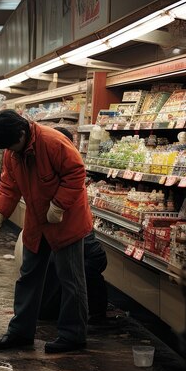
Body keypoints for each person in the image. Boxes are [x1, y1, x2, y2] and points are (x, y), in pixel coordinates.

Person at [0, 109, 93, 354]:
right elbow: (9, 184)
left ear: (22, 133)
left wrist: (58, 204)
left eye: (12, 145)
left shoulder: (52, 141)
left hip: (66, 219)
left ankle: (73, 335)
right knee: (28, 276)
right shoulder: (13, 152)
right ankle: (20, 333)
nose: (10, 151)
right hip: (37, 220)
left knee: (71, 281)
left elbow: (76, 172)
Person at [37, 126, 108, 323]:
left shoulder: (69, 174)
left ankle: (89, 316)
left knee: (77, 270)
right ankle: (69, 315)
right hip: (72, 240)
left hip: (80, 241)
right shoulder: (58, 167)